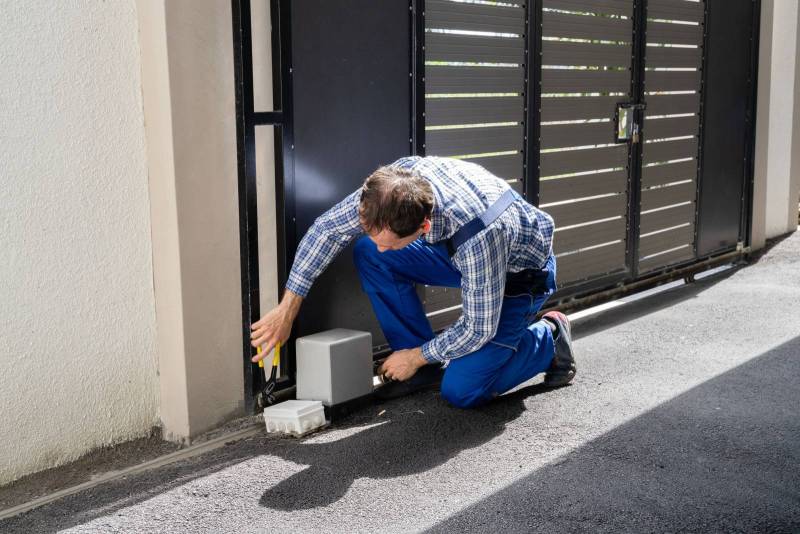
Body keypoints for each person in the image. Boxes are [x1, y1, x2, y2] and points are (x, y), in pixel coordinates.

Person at [250, 156, 576, 408]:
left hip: (518, 276)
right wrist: (287, 309)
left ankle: (549, 340)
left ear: (422, 228)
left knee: (463, 391)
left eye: (390, 242)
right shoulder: (391, 190)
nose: (382, 247)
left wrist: (415, 356)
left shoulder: (479, 234)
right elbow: (326, 230)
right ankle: (424, 370)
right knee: (368, 253)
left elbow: (478, 329)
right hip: (465, 258)